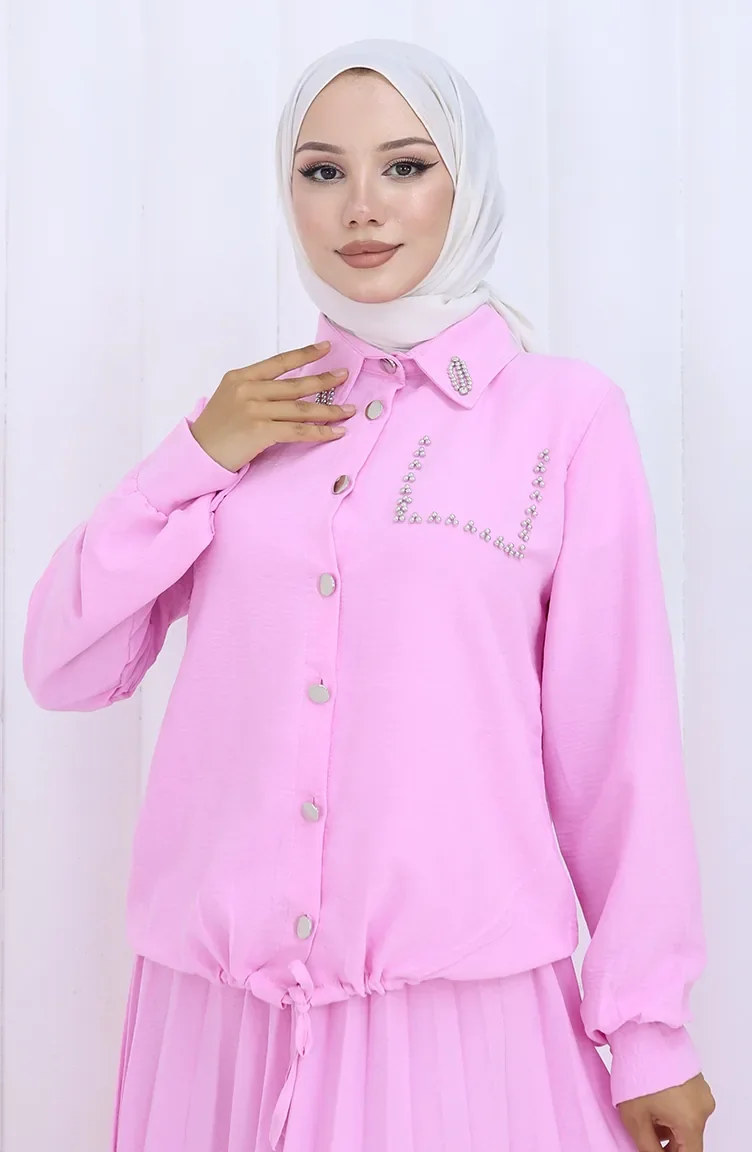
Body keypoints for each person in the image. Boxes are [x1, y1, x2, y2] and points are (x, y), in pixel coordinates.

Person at [22, 37, 715, 1152]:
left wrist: (646, 1029)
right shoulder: (247, 420)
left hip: (456, 1016)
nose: (360, 206)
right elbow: (64, 665)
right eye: (321, 170)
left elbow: (612, 745)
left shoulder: (563, 420)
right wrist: (194, 457)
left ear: (464, 181)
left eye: (404, 166)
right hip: (220, 1021)